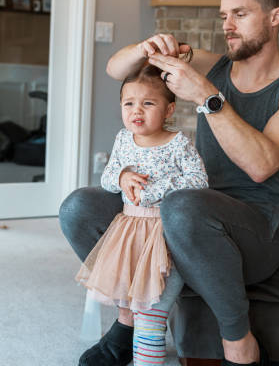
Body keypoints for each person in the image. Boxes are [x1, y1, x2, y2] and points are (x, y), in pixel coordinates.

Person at [60, 0, 279, 366]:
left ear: (275, 17)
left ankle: (239, 344)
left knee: (183, 206)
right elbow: (117, 70)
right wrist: (145, 47)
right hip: (179, 211)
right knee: (78, 206)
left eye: (240, 14)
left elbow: (260, 165)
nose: (228, 26)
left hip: (254, 229)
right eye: (223, 16)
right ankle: (127, 321)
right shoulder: (212, 63)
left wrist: (207, 95)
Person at [75, 63, 208, 366]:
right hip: (128, 234)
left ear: (169, 109)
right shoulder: (124, 139)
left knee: (151, 312)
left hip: (163, 237)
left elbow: (199, 180)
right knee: (128, 302)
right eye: (129, 103)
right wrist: (121, 177)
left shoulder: (178, 143)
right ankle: (128, 344)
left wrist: (158, 188)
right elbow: (107, 177)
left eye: (148, 103)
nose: (137, 110)